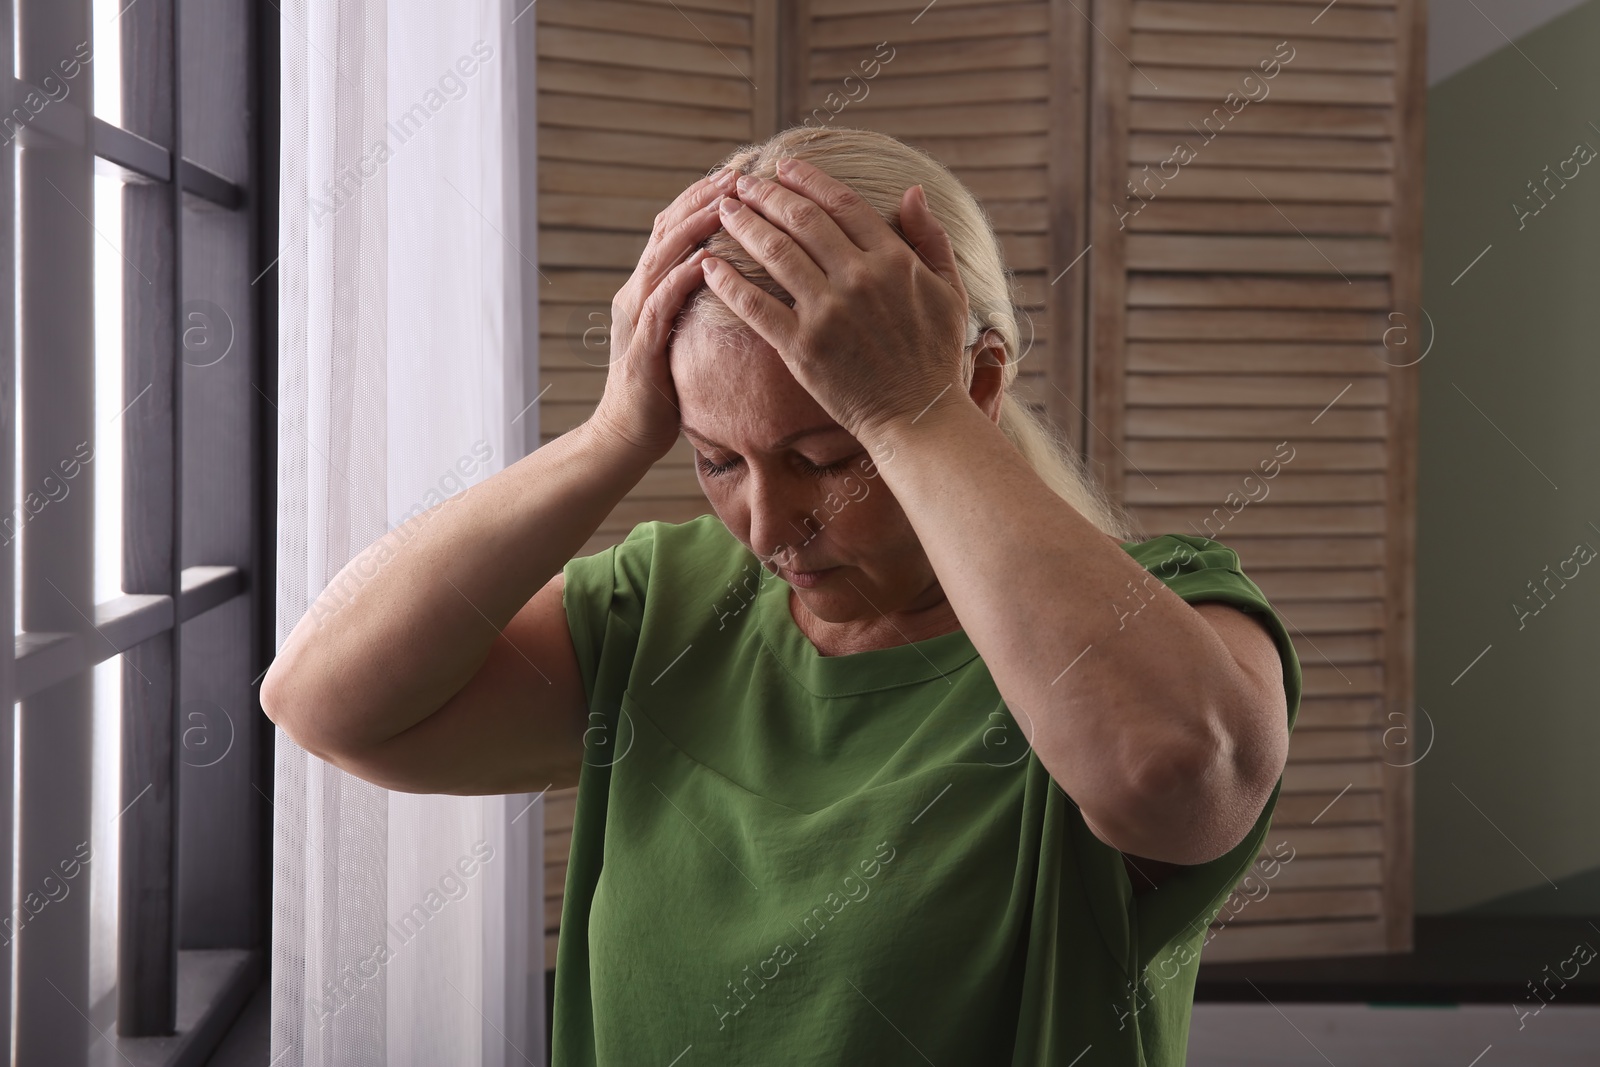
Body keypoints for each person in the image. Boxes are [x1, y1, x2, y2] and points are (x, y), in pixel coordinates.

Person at [262, 125, 1301, 1066]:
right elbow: (324, 701)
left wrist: (912, 411)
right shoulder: (663, 603)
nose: (766, 529)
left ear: (979, 386)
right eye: (717, 460)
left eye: (824, 455)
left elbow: (1176, 779)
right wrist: (612, 435)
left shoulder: (1157, 613)